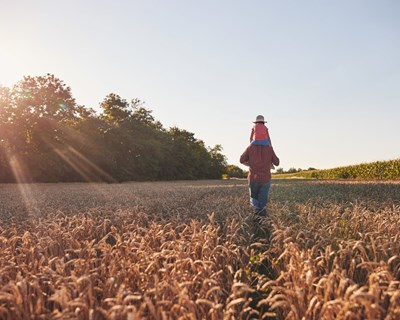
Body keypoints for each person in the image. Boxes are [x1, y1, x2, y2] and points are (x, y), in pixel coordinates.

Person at [240, 143, 279, 217]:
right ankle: (262, 221)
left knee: (254, 200)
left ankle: (255, 220)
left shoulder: (250, 147)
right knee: (262, 202)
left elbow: (241, 160)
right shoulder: (269, 148)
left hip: (253, 179)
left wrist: (250, 163)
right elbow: (277, 163)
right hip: (265, 179)